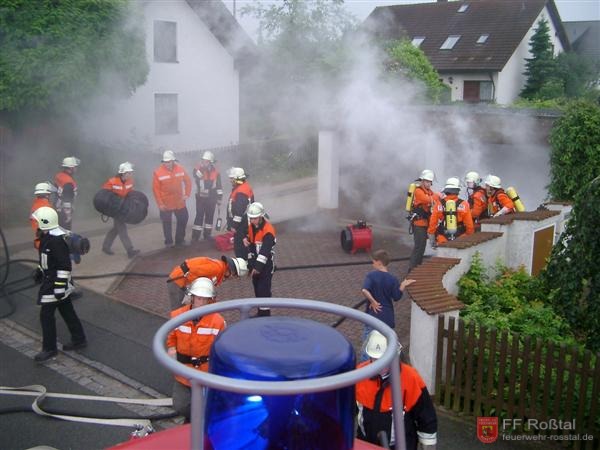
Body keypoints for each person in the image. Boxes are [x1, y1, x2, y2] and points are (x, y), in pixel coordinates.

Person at [356, 330, 438, 450]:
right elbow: (346, 409)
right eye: (375, 359)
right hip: (366, 444)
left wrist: (428, 446)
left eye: (384, 360)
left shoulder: (410, 378)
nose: (380, 365)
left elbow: (426, 417)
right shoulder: (359, 375)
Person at [31, 206, 87, 363]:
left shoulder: (55, 241)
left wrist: (59, 288)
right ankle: (79, 339)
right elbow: (47, 261)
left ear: (44, 222)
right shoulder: (46, 238)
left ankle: (49, 349)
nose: (35, 224)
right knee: (67, 311)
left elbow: (64, 266)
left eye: (37, 221)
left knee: (46, 316)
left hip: (54, 285)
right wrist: (39, 270)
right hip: (53, 282)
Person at [166, 277, 225, 422]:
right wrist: (172, 348)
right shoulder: (178, 316)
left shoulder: (217, 322)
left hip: (205, 374)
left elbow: (222, 349)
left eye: (205, 299)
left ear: (211, 300)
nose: (202, 303)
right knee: (181, 405)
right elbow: (171, 337)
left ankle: (197, 425)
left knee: (207, 407)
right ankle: (192, 419)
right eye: (199, 298)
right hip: (183, 372)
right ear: (192, 298)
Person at [361, 250, 415, 360]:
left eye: (373, 262)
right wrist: (403, 285)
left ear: (379, 262)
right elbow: (396, 297)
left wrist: (373, 302)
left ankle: (365, 370)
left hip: (373, 316)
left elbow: (364, 290)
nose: (372, 264)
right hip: (387, 318)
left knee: (368, 346)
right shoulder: (393, 279)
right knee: (386, 345)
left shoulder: (371, 276)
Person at [166, 255, 248, 310]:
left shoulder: (220, 270)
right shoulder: (216, 268)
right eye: (235, 276)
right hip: (177, 282)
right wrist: (190, 291)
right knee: (178, 311)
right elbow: (193, 271)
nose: (232, 278)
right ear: (232, 271)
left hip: (180, 282)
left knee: (185, 309)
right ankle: (174, 332)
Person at [152, 150, 192, 247]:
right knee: (166, 222)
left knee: (183, 218)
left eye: (168, 162)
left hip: (179, 201)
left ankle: (179, 240)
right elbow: (155, 190)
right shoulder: (158, 172)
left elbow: (188, 182)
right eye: (165, 162)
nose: (167, 164)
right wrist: (160, 204)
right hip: (165, 203)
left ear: (173, 161)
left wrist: (187, 194)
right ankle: (169, 242)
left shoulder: (180, 169)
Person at [100, 162, 140, 258]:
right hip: (114, 209)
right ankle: (130, 250)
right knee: (122, 229)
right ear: (123, 173)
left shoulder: (130, 181)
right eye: (129, 173)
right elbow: (103, 194)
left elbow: (130, 193)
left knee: (116, 229)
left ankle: (106, 246)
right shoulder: (112, 182)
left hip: (122, 208)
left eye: (131, 173)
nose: (130, 175)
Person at [243, 202, 275, 317]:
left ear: (261, 216)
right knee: (257, 289)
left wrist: (257, 268)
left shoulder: (268, 231)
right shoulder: (252, 226)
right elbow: (251, 242)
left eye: (254, 218)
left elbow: (264, 252)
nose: (252, 221)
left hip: (265, 266)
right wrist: (246, 239)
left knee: (264, 291)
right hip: (256, 263)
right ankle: (260, 313)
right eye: (250, 218)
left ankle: (265, 315)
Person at [427, 177, 475, 246]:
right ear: (458, 190)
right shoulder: (464, 204)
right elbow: (469, 225)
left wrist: (432, 239)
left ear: (446, 190)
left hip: (443, 237)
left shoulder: (439, 204)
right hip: (460, 237)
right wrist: (468, 237)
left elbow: (433, 223)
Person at [408, 169, 437, 271]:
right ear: (422, 181)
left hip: (425, 224)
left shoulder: (429, 192)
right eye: (426, 181)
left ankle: (417, 268)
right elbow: (428, 200)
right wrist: (438, 197)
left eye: (430, 182)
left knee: (422, 247)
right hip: (419, 224)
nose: (428, 183)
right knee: (419, 247)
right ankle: (411, 270)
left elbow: (434, 197)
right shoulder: (418, 191)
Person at [191, 151, 223, 242]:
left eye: (207, 161)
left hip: (212, 197)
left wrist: (219, 198)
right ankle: (195, 236)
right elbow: (196, 175)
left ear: (211, 162)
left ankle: (207, 235)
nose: (205, 162)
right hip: (200, 197)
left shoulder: (216, 171)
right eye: (203, 160)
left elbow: (219, 186)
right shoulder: (198, 169)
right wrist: (202, 168)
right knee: (199, 215)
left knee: (210, 216)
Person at [226, 167, 254, 259]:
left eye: (232, 179)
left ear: (237, 179)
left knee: (240, 248)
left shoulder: (241, 191)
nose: (230, 180)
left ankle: (244, 265)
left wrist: (234, 225)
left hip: (242, 226)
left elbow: (239, 212)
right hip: (243, 224)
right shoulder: (242, 187)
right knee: (243, 246)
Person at [54, 156, 80, 230]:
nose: (76, 169)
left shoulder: (59, 176)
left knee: (58, 232)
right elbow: (67, 200)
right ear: (71, 168)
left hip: (57, 207)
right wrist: (68, 215)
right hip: (63, 211)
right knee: (66, 234)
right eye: (75, 167)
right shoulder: (68, 182)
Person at [30, 182, 55, 249]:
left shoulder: (35, 205)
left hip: (39, 240)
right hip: (47, 241)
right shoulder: (46, 207)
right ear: (47, 195)